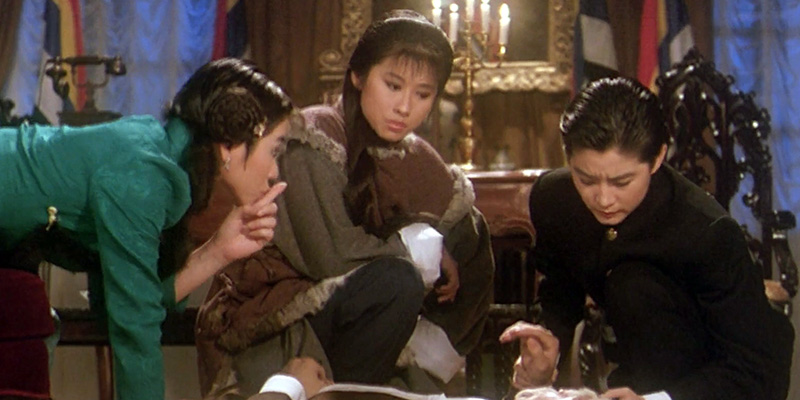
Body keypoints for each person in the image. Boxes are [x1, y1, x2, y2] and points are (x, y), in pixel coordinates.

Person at [195, 9, 495, 399]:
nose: (405, 107)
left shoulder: (415, 156)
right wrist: (424, 253)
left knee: (451, 243)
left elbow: (467, 235)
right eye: (393, 86)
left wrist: (444, 245)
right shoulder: (313, 137)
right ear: (358, 76)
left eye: (422, 94)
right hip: (280, 319)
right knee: (397, 281)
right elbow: (331, 258)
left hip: (354, 317)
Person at [0, 58, 295, 400]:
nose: (274, 171)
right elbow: (135, 327)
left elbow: (135, 302)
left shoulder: (159, 165)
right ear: (229, 144)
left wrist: (218, 251)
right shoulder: (143, 174)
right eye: (274, 150)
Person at [500, 77, 794, 400]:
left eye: (621, 182)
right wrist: (545, 352)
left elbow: (757, 370)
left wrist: (657, 399)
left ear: (657, 158)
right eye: (586, 179)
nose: (603, 199)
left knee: (635, 286)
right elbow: (560, 291)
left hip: (701, 384)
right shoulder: (554, 198)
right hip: (623, 379)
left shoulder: (709, 232)